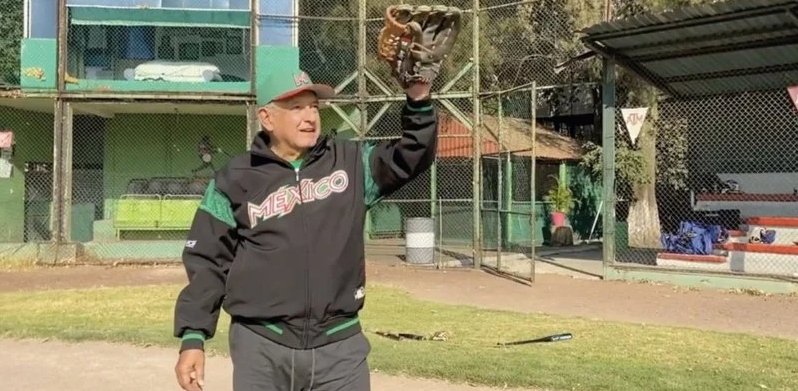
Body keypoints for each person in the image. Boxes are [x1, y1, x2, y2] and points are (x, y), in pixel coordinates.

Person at [172, 65, 438, 391]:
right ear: (267, 118)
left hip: (339, 345)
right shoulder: (235, 179)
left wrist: (419, 98)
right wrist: (193, 336)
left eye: (314, 106)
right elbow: (208, 261)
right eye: (296, 107)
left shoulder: (351, 164)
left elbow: (412, 155)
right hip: (262, 346)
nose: (310, 116)